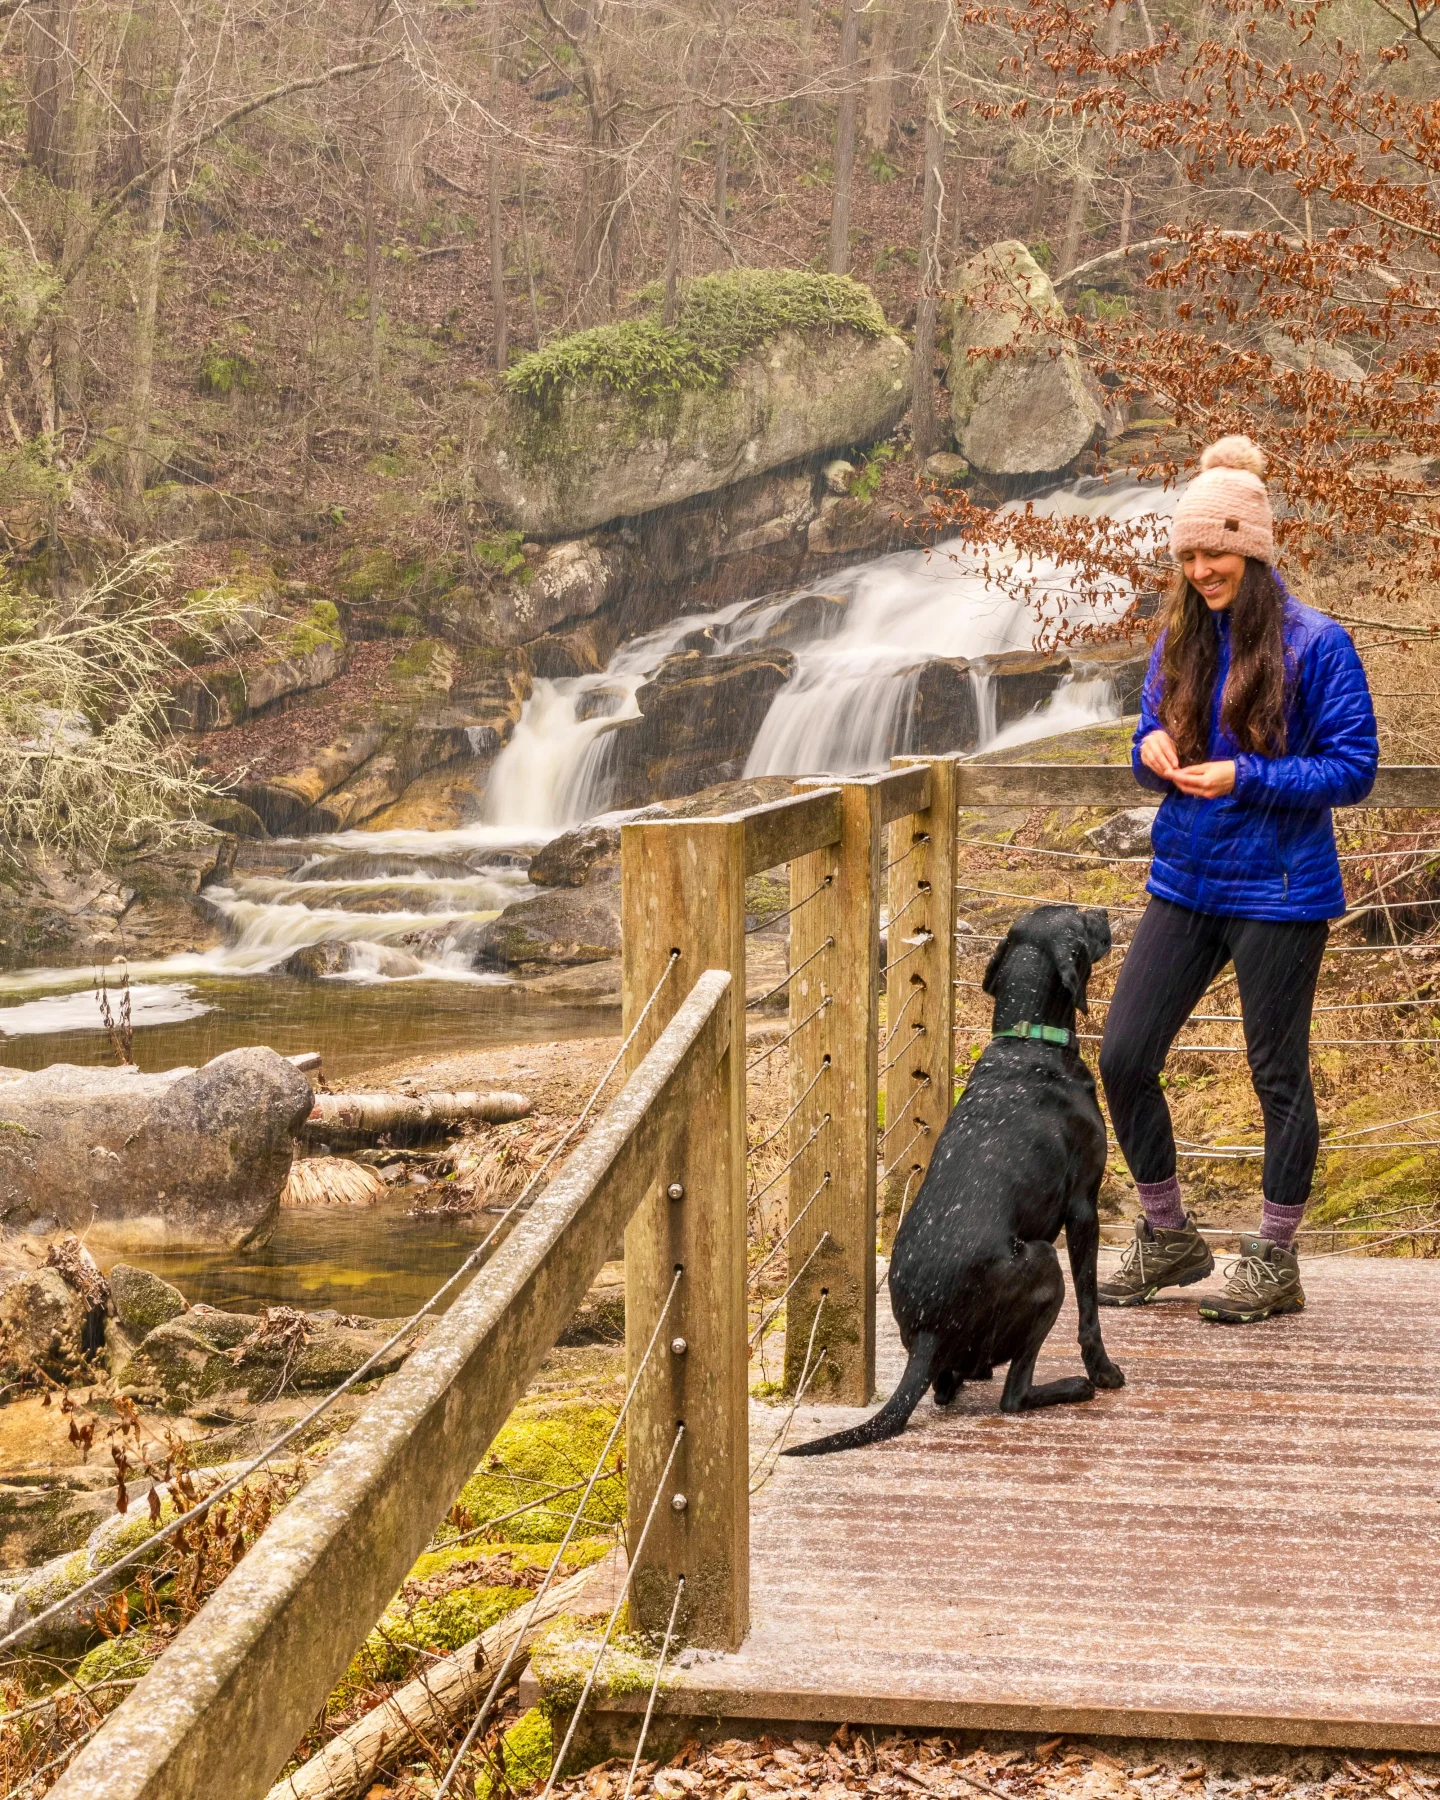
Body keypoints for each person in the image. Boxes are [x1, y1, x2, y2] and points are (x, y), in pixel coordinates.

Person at [1096, 434, 1378, 1322]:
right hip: (1186, 879)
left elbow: (1354, 769)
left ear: (1252, 551)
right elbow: (1152, 734)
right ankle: (1170, 1235)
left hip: (1282, 891)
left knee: (1276, 1076)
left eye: (1213, 551)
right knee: (1123, 1055)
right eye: (1186, 554)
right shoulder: (1180, 634)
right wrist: (1149, 751)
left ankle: (1274, 1258)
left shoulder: (1317, 644)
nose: (1199, 568)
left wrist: (1246, 775)